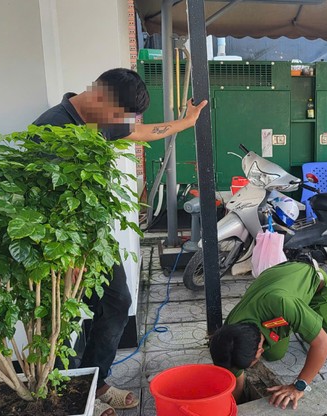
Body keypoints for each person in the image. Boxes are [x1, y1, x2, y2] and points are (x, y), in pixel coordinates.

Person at [32, 68, 207, 416]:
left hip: (93, 240)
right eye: (118, 116)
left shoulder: (97, 116)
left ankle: (97, 381)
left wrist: (186, 123)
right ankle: (71, 396)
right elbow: (41, 199)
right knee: (64, 322)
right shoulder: (52, 129)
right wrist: (68, 255)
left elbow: (142, 132)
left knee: (117, 302)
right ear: (100, 96)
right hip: (63, 247)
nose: (120, 125)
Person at [209, 260, 327, 410]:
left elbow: (324, 344)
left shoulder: (282, 303)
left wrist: (299, 386)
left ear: (259, 350)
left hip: (314, 285)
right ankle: (304, 321)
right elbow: (236, 375)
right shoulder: (231, 331)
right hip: (277, 285)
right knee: (274, 354)